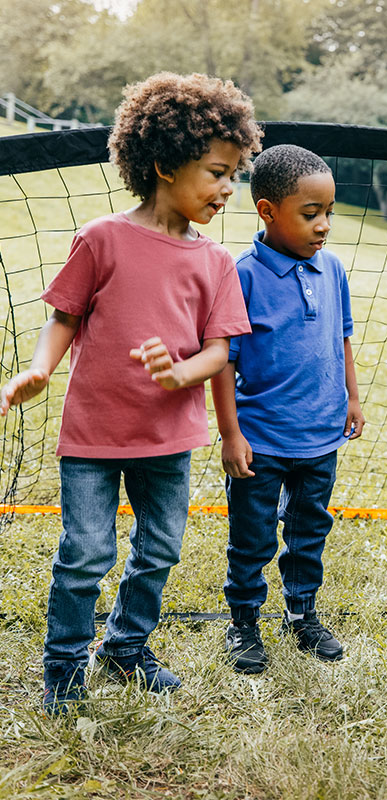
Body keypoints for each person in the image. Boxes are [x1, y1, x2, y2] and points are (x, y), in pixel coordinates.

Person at [0, 72, 261, 713]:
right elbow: (64, 316)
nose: (228, 188)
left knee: (161, 548)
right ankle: (63, 668)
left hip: (168, 437)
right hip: (92, 433)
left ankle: (125, 647)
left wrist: (181, 375)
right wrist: (38, 370)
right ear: (163, 165)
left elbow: (221, 350)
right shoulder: (102, 239)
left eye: (235, 173)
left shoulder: (216, 263)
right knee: (86, 553)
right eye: (216, 172)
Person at [210, 144, 365, 675]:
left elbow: (342, 338)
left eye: (329, 212)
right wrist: (231, 435)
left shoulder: (333, 269)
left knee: (308, 532)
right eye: (310, 213)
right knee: (251, 539)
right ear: (267, 210)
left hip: (321, 437)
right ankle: (244, 624)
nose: (324, 225)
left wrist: (353, 397)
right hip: (260, 442)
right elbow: (223, 364)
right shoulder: (243, 275)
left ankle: (302, 614)